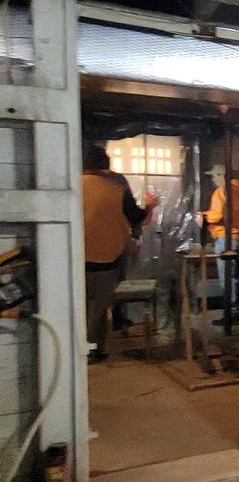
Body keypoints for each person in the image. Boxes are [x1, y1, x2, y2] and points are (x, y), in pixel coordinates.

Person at [82, 144, 155, 361]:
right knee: (98, 308)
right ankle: (93, 350)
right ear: (106, 165)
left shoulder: (70, 186)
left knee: (79, 305)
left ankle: (75, 347)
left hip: (73, 259)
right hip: (106, 259)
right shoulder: (116, 190)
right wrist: (151, 205)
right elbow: (140, 218)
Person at [200, 166, 239, 320]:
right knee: (238, 276)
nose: (213, 180)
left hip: (226, 238)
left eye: (214, 176)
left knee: (227, 277)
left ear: (222, 175)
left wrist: (203, 216)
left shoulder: (221, 192)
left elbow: (216, 216)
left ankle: (232, 313)